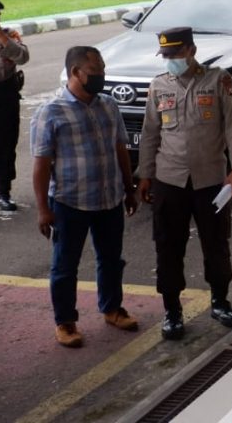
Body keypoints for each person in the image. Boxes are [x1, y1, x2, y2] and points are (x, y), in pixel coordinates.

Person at [136, 27, 232, 341]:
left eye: (175, 54)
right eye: (166, 56)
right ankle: (172, 311)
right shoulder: (159, 86)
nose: (170, 60)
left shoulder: (218, 80)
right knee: (168, 246)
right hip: (169, 179)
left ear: (191, 50)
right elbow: (150, 134)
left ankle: (220, 301)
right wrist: (145, 176)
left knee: (216, 243)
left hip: (211, 179)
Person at [31, 46, 139, 348]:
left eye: (102, 69)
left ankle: (112, 309)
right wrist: (43, 209)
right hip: (69, 203)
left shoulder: (108, 105)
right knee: (65, 266)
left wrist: (128, 189)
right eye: (95, 71)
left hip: (108, 199)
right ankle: (65, 322)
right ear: (76, 72)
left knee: (111, 259)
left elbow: (120, 148)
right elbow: (40, 166)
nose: (101, 76)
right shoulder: (50, 112)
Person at [0, 0, 29, 211]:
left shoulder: (9, 36)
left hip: (5, 96)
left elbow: (23, 57)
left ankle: (3, 192)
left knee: (5, 146)